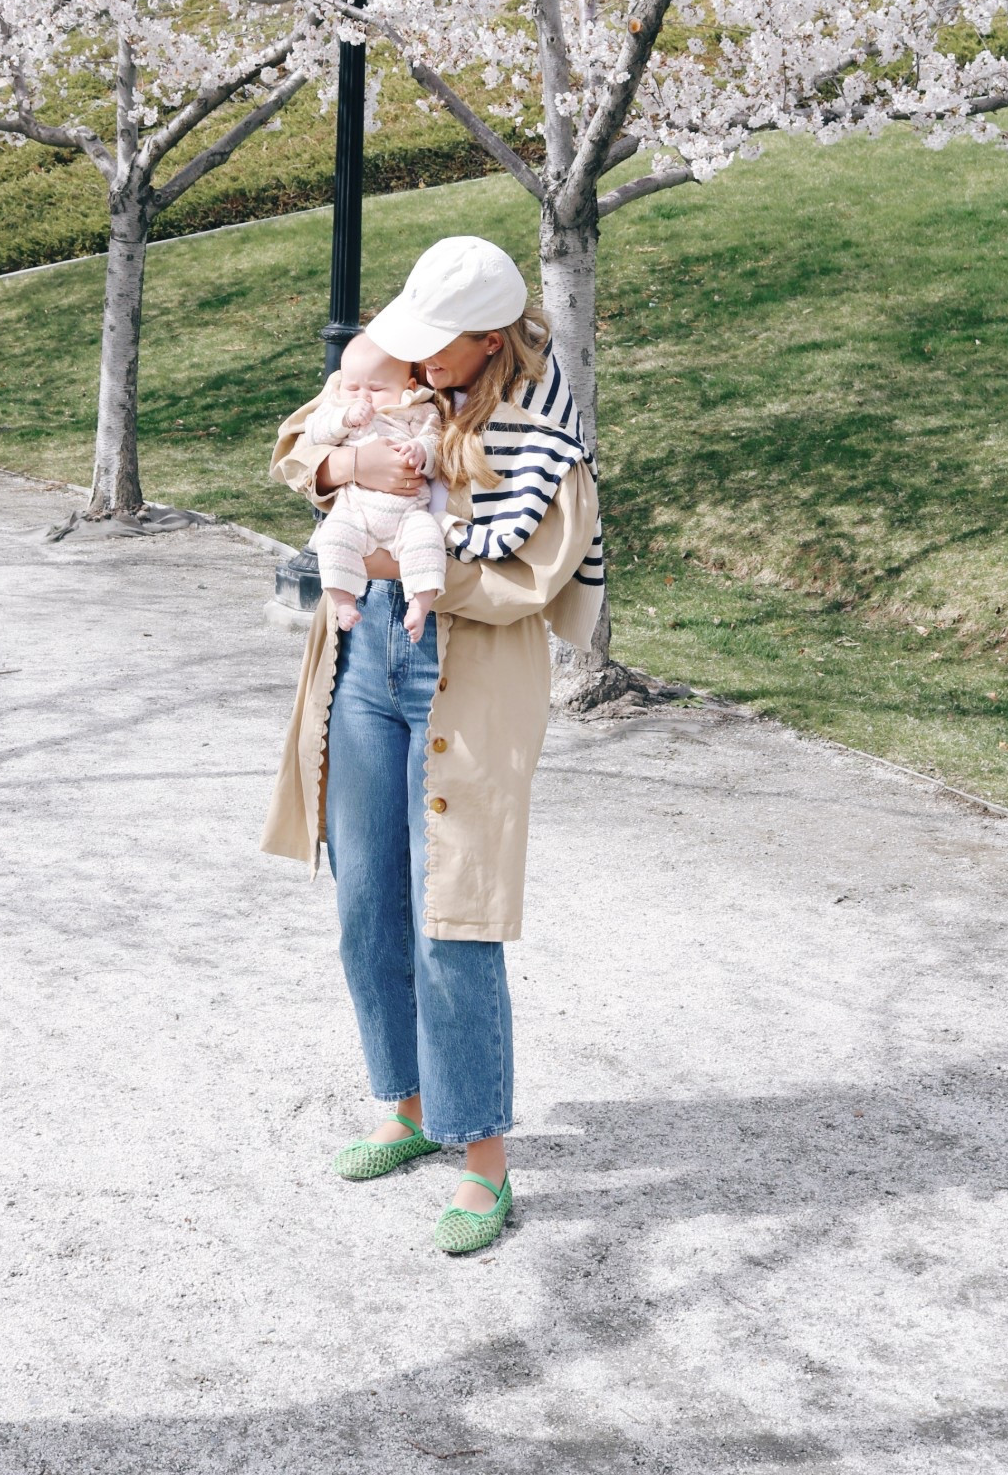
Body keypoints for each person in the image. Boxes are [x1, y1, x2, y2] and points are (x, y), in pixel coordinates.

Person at [264, 235, 604, 1255]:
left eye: (438, 347)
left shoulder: (540, 429)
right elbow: (294, 449)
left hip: (464, 676)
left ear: (489, 338)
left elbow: (529, 581)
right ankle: (403, 1104)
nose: (417, 360)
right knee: (367, 898)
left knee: (453, 919)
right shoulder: (396, 374)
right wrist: (344, 461)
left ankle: (481, 1154)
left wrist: (398, 561)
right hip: (360, 661)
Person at [303, 333, 444, 642]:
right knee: (333, 537)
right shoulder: (341, 408)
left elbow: (436, 443)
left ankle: (420, 605)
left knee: (428, 540)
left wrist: (422, 451)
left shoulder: (419, 410)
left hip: (408, 512)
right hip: (356, 509)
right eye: (353, 387)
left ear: (407, 387)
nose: (363, 397)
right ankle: (343, 600)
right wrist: (344, 418)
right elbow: (313, 433)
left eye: (377, 389)